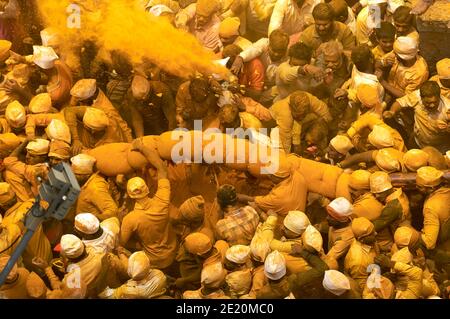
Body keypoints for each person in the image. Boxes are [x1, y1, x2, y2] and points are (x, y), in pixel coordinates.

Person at [120, 140, 177, 271]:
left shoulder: (130, 219)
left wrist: (119, 219)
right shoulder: (162, 200)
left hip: (153, 262)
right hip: (172, 254)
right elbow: (162, 168)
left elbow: (121, 243)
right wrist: (142, 147)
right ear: (147, 189)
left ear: (130, 195)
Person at [384, 81, 450, 153]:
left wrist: (448, 129)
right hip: (417, 143)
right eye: (428, 103)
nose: (432, 105)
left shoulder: (448, 108)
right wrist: (392, 112)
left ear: (439, 96)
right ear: (421, 98)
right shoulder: (416, 96)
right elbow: (400, 102)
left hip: (439, 150)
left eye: (435, 102)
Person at [71, 154, 119, 221]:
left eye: (76, 174)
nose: (72, 176)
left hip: (89, 228)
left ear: (86, 175)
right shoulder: (83, 182)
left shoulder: (95, 188)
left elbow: (112, 211)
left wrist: (92, 220)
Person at [99, 251, 168, 299]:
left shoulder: (126, 290)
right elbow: (141, 268)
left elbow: (104, 295)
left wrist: (108, 270)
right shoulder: (159, 274)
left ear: (129, 271)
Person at [344, 217, 378, 290]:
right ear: (361, 239)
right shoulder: (359, 262)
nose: (376, 233)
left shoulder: (370, 241)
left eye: (373, 230)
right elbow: (362, 288)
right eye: (372, 233)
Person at [325, 197, 355, 264]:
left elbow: (329, 259)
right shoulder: (336, 224)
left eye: (331, 216)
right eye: (328, 214)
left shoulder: (345, 238)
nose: (327, 218)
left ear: (341, 220)